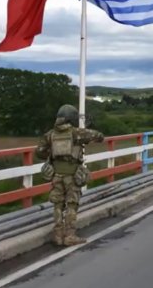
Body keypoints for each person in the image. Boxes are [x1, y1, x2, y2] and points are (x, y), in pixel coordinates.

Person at [36, 104, 104, 246]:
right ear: (71, 118)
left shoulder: (50, 134)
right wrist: (86, 130)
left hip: (56, 176)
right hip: (72, 176)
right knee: (72, 204)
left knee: (58, 205)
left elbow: (40, 152)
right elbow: (99, 136)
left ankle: (58, 235)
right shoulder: (77, 133)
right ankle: (70, 235)